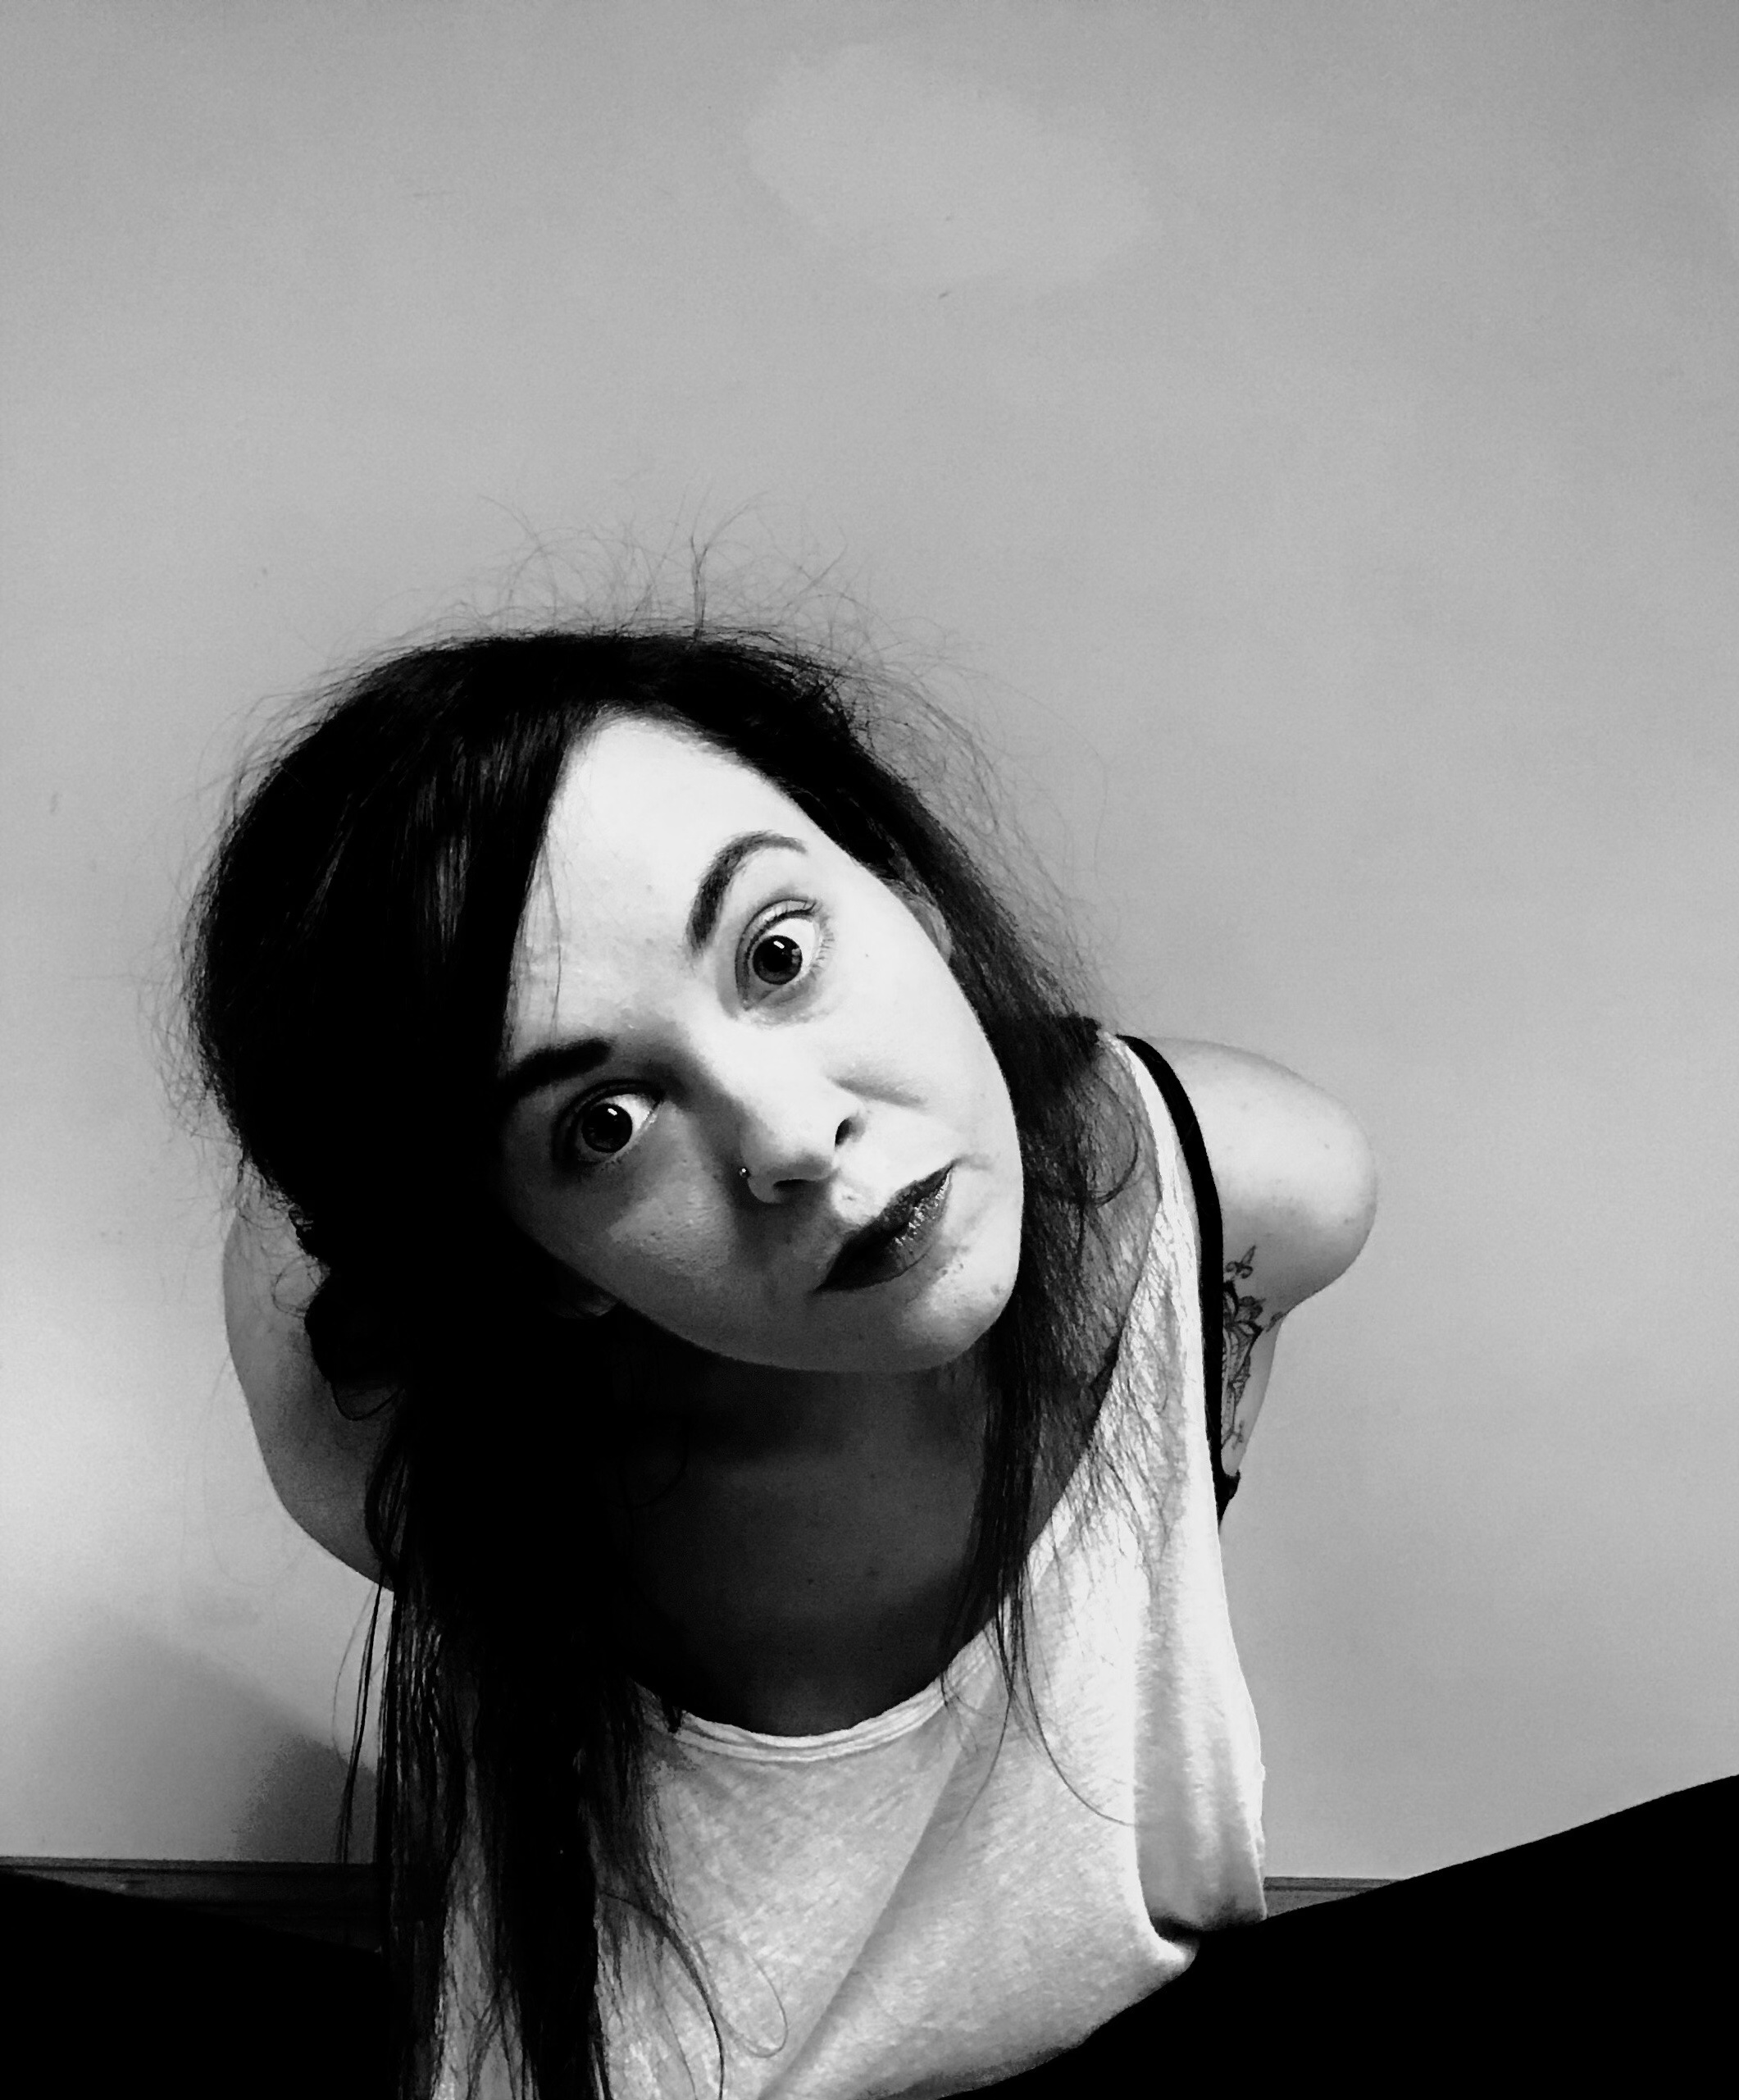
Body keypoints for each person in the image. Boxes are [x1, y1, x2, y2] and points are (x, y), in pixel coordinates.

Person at [187, 621, 1377, 2099]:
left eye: (776, 952)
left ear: (904, 884)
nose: (794, 1136)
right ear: (531, 1265)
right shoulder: (382, 1401)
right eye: (603, 1124)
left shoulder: (1251, 1193)